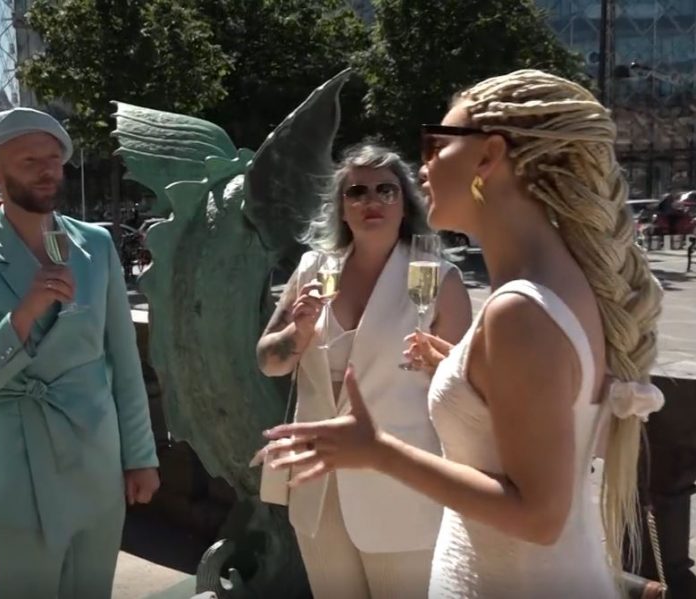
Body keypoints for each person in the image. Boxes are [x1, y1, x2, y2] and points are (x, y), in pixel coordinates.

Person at [262, 70, 665, 597]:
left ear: (488, 157)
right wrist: (457, 370)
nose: (423, 168)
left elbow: (540, 516)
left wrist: (378, 451)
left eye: (436, 146)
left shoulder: (520, 309)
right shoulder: (548, 290)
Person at [0, 107, 160, 599]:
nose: (46, 171)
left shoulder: (96, 246)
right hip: (18, 468)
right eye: (29, 161)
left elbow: (125, 362)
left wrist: (141, 456)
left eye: (53, 160)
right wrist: (24, 315)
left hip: (96, 461)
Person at [255, 143, 472, 598]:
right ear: (341, 207)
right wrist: (299, 331)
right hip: (317, 486)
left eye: (385, 190)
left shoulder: (437, 277)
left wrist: (439, 365)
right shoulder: (315, 269)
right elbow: (269, 361)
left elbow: (465, 395)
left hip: (402, 487)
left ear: (405, 203)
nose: (371, 200)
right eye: (356, 191)